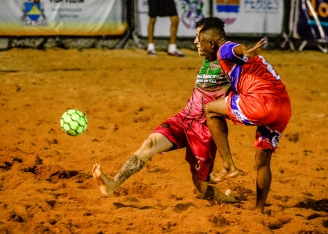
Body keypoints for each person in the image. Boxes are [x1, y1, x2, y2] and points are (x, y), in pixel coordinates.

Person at [92, 17, 240, 204]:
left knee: (201, 188)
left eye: (198, 37)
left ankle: (228, 200)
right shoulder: (207, 58)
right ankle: (112, 183)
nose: (195, 41)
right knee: (149, 144)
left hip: (204, 130)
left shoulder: (227, 61)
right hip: (184, 118)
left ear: (212, 40)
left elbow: (238, 54)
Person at [198, 20, 291, 213]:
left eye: (201, 42)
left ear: (212, 43)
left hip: (261, 103)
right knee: (262, 162)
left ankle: (228, 165)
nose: (200, 47)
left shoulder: (223, 48)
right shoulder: (243, 65)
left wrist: (246, 50)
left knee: (210, 109)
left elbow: (236, 49)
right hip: (283, 108)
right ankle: (259, 210)